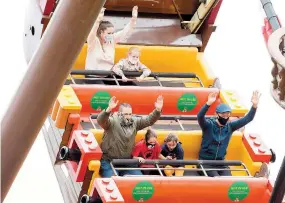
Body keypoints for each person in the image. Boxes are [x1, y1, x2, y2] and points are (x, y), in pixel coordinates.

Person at [97, 95, 164, 177]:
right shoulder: (112, 121)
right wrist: (108, 109)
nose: (128, 116)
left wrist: (157, 110)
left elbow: (149, 120)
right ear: (119, 113)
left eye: (130, 114)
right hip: (109, 160)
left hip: (127, 161)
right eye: (126, 114)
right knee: (113, 181)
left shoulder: (135, 122)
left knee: (139, 179)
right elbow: (101, 120)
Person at [197, 91, 261, 177]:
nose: (225, 117)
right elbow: (200, 116)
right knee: (218, 180)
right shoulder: (208, 125)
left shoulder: (230, 127)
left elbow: (247, 119)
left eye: (228, 115)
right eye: (223, 114)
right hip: (206, 162)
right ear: (217, 114)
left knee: (229, 180)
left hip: (221, 163)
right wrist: (208, 103)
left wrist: (254, 106)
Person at [85, 6, 138, 84]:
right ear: (101, 33)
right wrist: (98, 19)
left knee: (130, 84)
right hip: (92, 76)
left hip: (108, 75)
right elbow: (92, 32)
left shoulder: (112, 40)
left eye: (112, 33)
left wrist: (133, 19)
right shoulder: (93, 41)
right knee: (103, 93)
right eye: (109, 33)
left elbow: (125, 32)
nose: (111, 35)